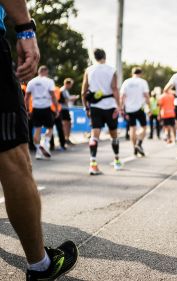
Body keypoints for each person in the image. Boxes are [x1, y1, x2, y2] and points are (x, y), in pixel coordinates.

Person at [0, 1, 78, 279]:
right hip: (42, 108)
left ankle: (43, 143)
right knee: (12, 158)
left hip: (38, 109)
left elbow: (31, 94)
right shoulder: (49, 83)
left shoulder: (39, 83)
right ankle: (40, 265)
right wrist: (24, 29)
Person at [82, 48, 123, 175]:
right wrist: (119, 106)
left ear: (94, 57)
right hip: (110, 105)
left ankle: (93, 164)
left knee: (95, 135)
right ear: (105, 56)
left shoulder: (89, 70)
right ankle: (116, 161)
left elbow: (83, 92)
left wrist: (86, 107)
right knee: (114, 134)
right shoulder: (112, 70)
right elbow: (115, 88)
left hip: (95, 106)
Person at [25, 66, 58, 160]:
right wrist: (56, 109)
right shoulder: (49, 81)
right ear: (45, 71)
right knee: (50, 128)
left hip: (36, 108)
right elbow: (53, 96)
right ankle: (45, 143)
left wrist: (27, 110)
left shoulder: (31, 82)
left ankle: (38, 152)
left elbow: (26, 98)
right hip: (46, 108)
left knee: (37, 130)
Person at [120, 67, 150, 157]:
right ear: (140, 73)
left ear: (132, 73)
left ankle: (134, 148)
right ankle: (139, 143)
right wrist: (149, 107)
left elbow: (122, 96)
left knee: (132, 129)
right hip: (139, 108)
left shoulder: (126, 82)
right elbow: (146, 95)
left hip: (129, 109)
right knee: (144, 127)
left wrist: (121, 107)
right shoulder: (143, 82)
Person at [59, 78, 78, 145]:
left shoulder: (65, 90)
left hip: (65, 108)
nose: (71, 86)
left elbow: (67, 99)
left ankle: (67, 138)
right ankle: (65, 138)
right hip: (63, 109)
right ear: (67, 84)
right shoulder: (63, 90)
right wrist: (73, 98)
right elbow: (65, 100)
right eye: (70, 85)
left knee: (68, 124)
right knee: (65, 124)